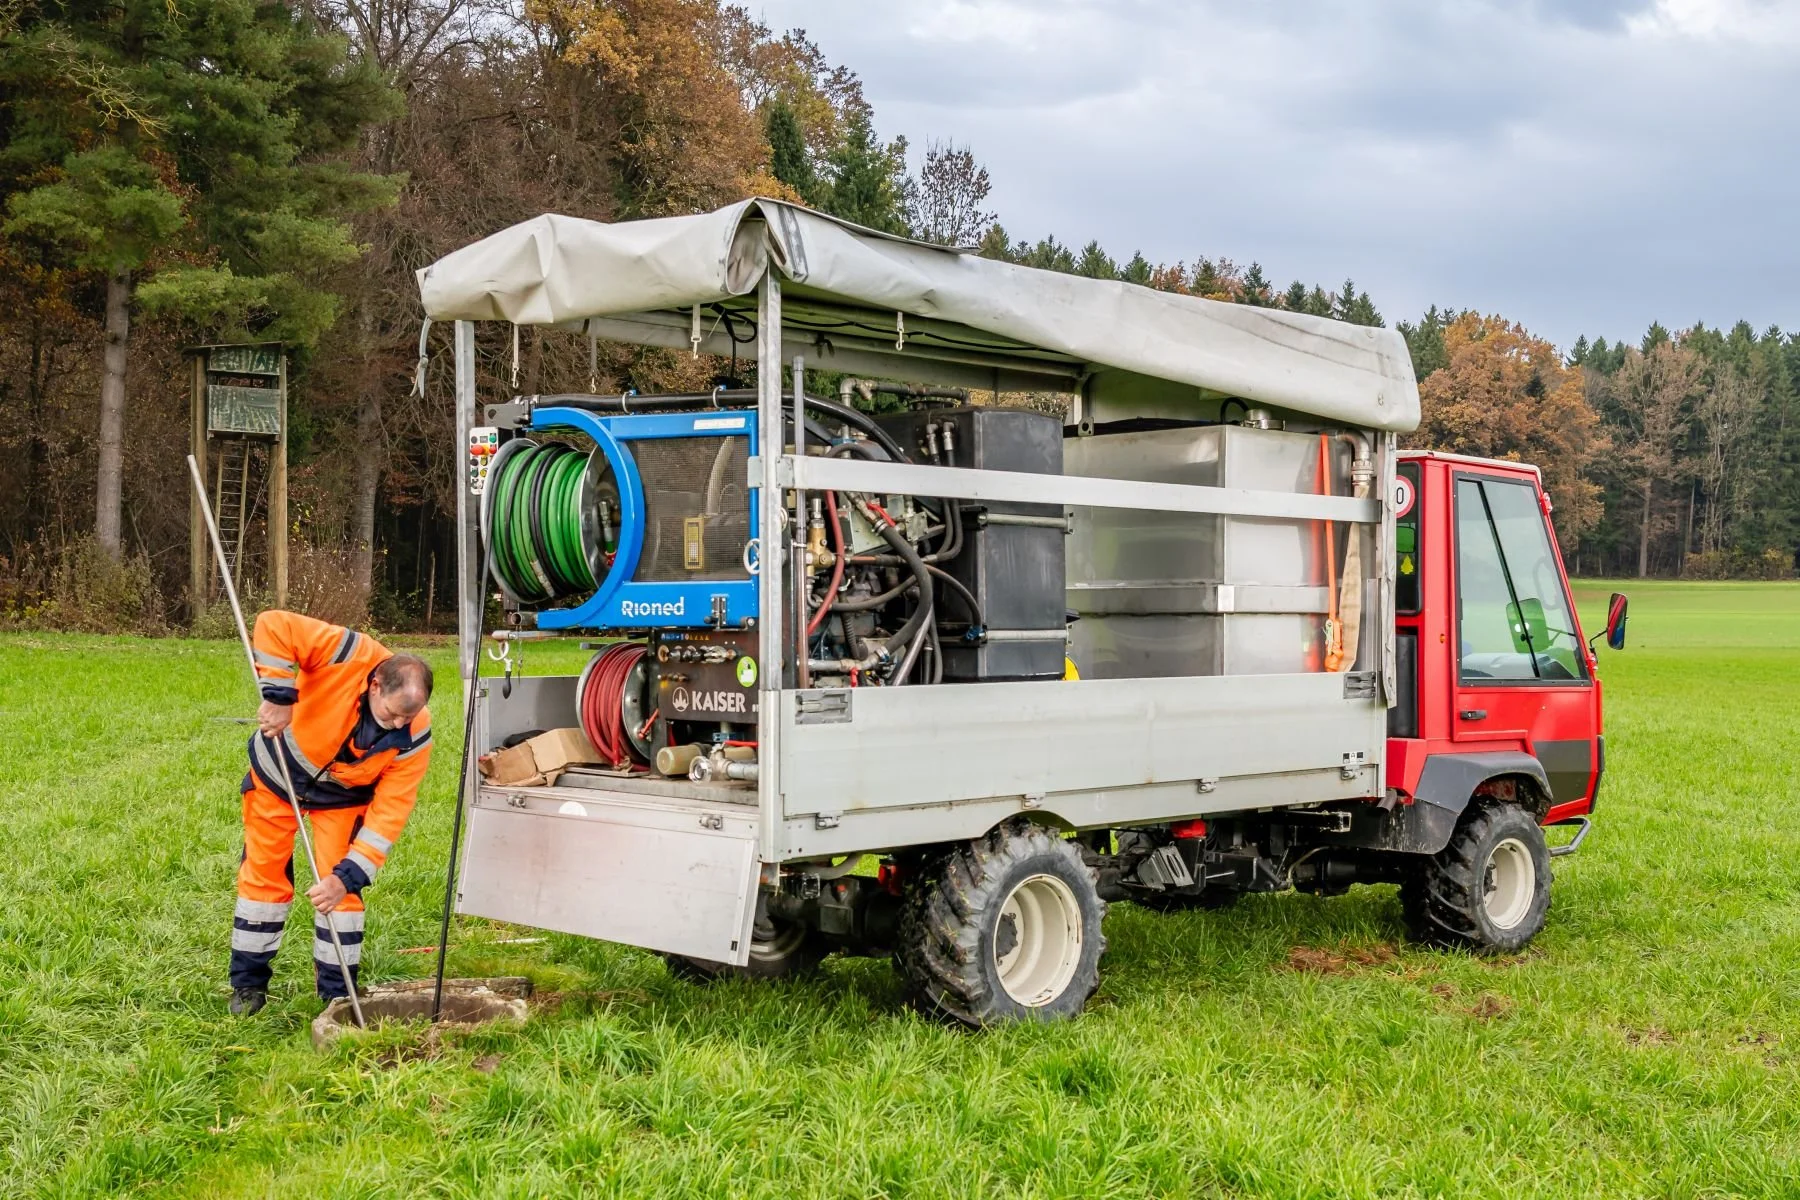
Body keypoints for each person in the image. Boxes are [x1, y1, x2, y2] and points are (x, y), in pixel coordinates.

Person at [229, 610, 433, 1015]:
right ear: (375, 685)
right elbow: (274, 624)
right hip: (277, 777)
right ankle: (248, 987)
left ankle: (338, 996)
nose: (399, 723)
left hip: (341, 799)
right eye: (393, 713)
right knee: (263, 879)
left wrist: (349, 875)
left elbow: (389, 814)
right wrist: (278, 696)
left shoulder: (415, 734)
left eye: (408, 716)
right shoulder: (348, 652)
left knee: (342, 897)